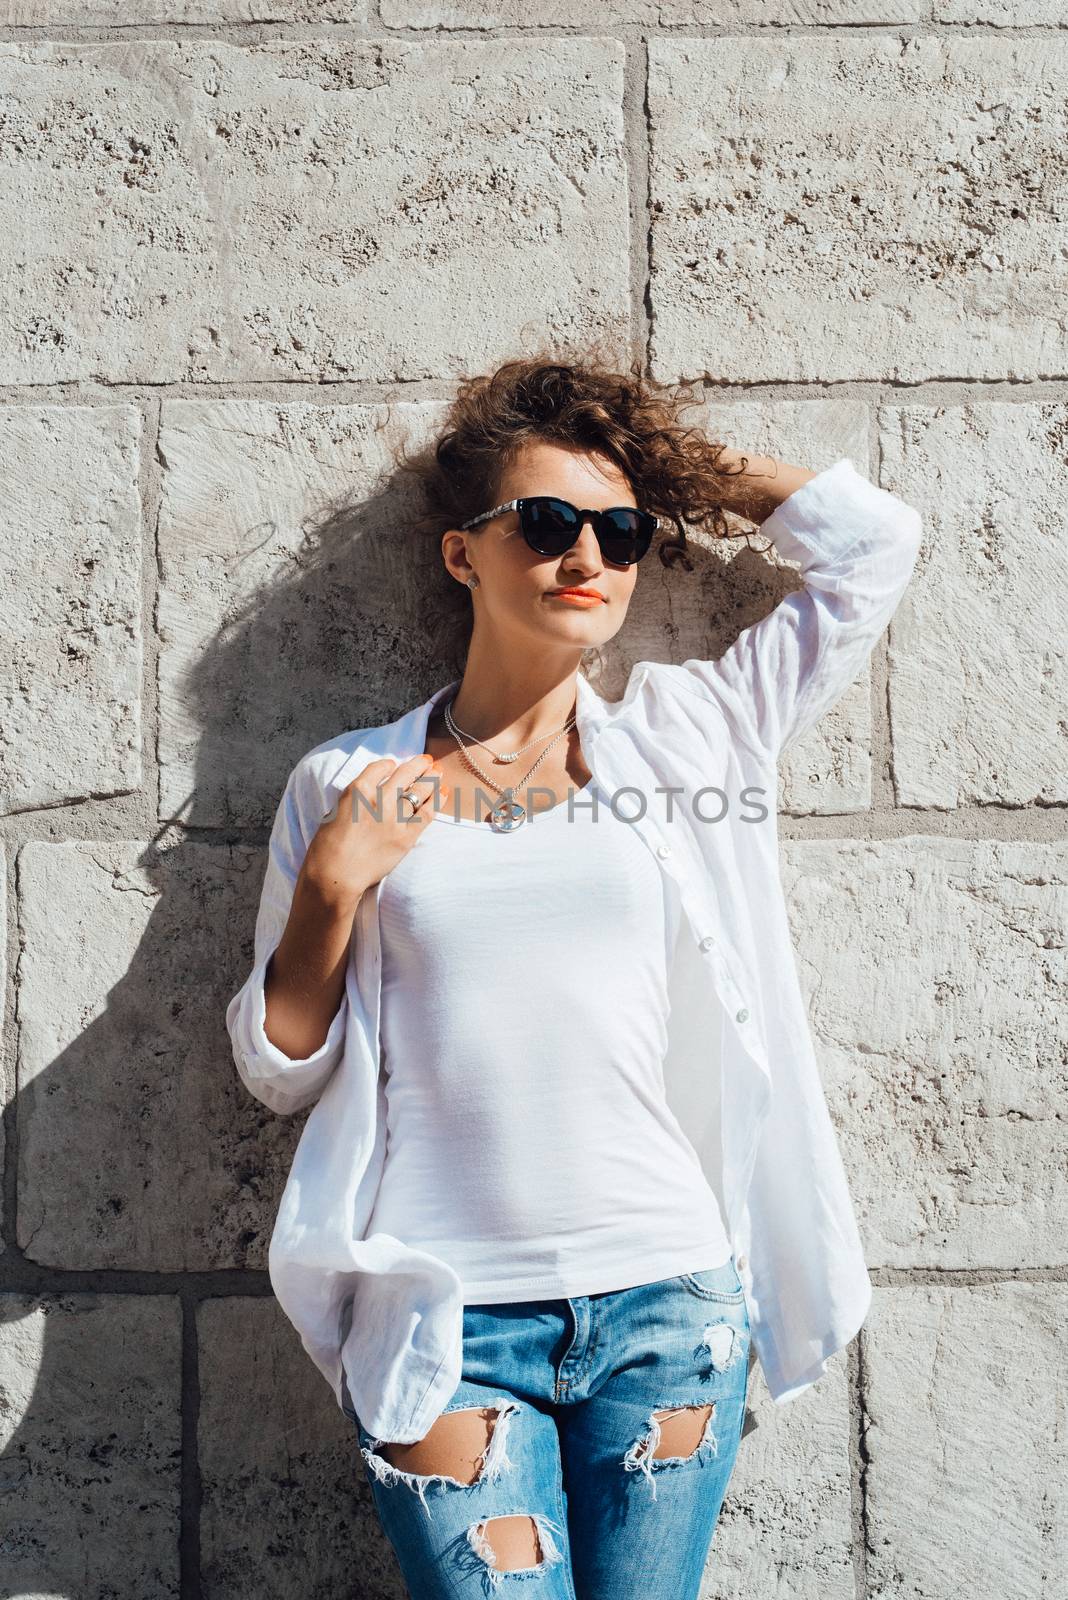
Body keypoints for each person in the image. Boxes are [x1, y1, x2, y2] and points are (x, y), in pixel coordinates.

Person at [226, 351, 923, 1598]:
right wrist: (333, 889)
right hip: (449, 1331)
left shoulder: (692, 735)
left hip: (670, 1308)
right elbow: (278, 1069)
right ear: (463, 554)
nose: (586, 556)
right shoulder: (346, 785)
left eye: (620, 528)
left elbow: (871, 546)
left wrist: (675, 466)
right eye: (546, 523)